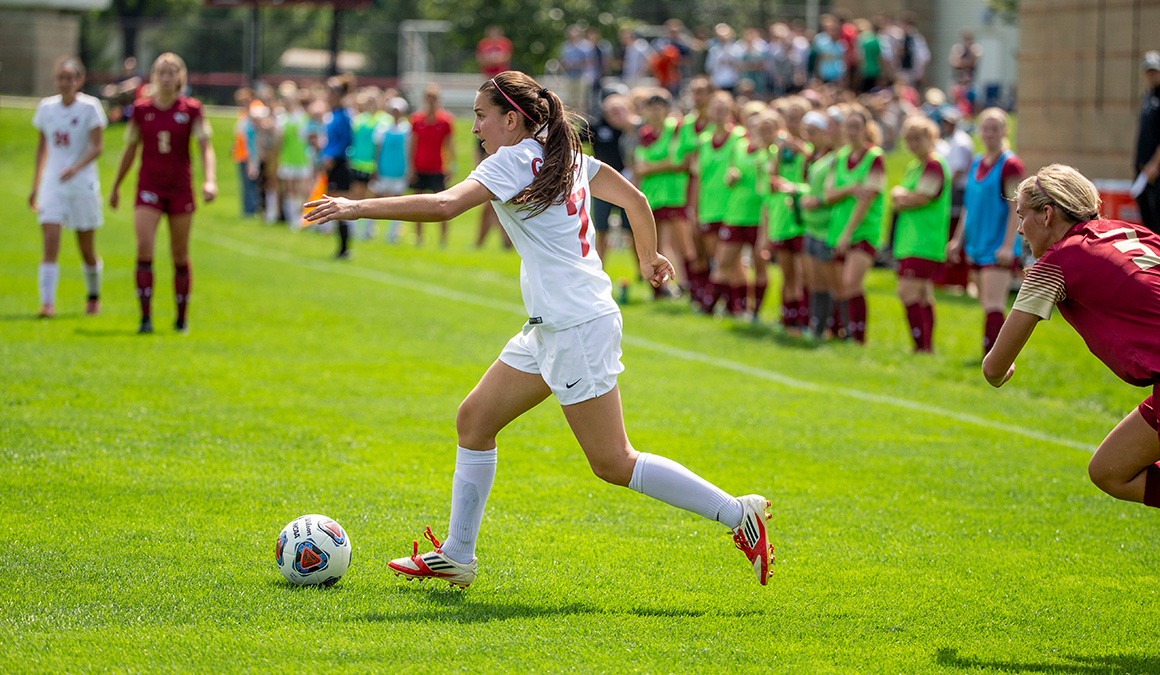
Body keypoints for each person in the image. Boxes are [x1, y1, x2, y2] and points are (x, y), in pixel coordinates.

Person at [303, 70, 773, 588]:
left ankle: (737, 514)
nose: (475, 126)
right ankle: (459, 555)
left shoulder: (513, 159)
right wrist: (648, 256)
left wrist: (354, 206)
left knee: (613, 461)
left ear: (511, 119)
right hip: (556, 324)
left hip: (575, 326)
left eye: (482, 115)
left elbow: (444, 205)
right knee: (475, 421)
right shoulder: (562, 155)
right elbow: (637, 201)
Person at [983, 163, 1160, 510]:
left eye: (1022, 216)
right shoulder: (1130, 232)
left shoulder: (1057, 261)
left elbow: (993, 368)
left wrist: (1003, 369)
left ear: (1047, 214)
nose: (1019, 229)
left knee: (1112, 471)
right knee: (1109, 468)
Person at [109, 52, 216, 334]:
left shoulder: (192, 109)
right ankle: (145, 318)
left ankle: (181, 318)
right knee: (144, 247)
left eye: (172, 72)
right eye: (161, 72)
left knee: (179, 254)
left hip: (180, 189)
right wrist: (116, 185)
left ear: (180, 76)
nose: (166, 78)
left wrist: (210, 180)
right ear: (154, 77)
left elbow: (206, 147)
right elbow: (130, 150)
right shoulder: (141, 109)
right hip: (149, 187)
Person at [29, 57, 107, 318]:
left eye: (69, 78)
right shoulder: (46, 108)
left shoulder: (90, 107)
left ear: (79, 81)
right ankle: (47, 303)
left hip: (82, 184)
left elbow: (98, 146)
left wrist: (76, 167)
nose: (64, 83)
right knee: (50, 242)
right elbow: (42, 148)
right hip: (53, 184)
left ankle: (93, 296)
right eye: (60, 78)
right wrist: (36, 184)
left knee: (86, 249)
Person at [948, 107, 1025, 356]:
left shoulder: (1010, 164)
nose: (990, 133)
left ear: (1005, 130)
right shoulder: (976, 162)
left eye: (995, 128)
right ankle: (994, 355)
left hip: (997, 245)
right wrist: (958, 240)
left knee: (994, 304)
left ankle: (993, 358)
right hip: (977, 244)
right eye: (985, 128)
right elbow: (969, 206)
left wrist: (1007, 245)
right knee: (985, 303)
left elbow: (1016, 207)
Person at [887, 115, 950, 353]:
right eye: (909, 139)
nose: (913, 144)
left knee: (906, 292)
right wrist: (901, 196)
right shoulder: (916, 166)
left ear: (931, 137)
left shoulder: (934, 164)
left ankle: (920, 346)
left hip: (924, 240)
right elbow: (902, 197)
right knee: (923, 294)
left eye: (917, 138)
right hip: (911, 239)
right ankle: (926, 346)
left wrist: (901, 196)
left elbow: (920, 197)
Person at [826, 104, 885, 343]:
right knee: (840, 285)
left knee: (852, 283)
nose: (851, 131)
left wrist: (848, 232)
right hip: (838, 228)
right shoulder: (839, 157)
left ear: (865, 129)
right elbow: (828, 194)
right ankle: (842, 332)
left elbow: (867, 198)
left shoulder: (874, 157)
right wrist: (850, 189)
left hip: (862, 230)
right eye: (847, 126)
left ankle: (859, 337)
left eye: (856, 127)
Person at [693, 90, 745, 314]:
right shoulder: (704, 140)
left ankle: (739, 305)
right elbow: (697, 177)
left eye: (723, 109)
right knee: (719, 258)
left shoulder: (739, 137)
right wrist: (693, 208)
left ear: (731, 111)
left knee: (731, 260)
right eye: (715, 108)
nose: (719, 113)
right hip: (709, 207)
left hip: (732, 207)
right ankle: (733, 304)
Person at [409, 83, 456, 247]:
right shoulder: (416, 120)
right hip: (420, 166)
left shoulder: (445, 121)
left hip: (437, 167)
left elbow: (450, 145)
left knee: (443, 204)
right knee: (417, 203)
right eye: (428, 98)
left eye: (433, 98)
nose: (430, 101)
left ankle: (443, 239)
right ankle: (419, 236)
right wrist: (410, 167)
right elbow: (412, 145)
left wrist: (452, 166)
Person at [320, 75, 354, 257]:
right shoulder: (332, 114)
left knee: (340, 205)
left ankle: (344, 248)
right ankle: (340, 247)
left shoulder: (344, 115)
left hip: (340, 164)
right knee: (332, 204)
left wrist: (332, 156)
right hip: (331, 164)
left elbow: (346, 140)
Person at [371, 96, 411, 243]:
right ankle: (370, 229)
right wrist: (375, 168)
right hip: (384, 169)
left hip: (400, 170)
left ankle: (393, 232)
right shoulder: (382, 128)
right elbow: (378, 150)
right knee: (377, 197)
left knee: (398, 200)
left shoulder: (407, 129)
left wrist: (409, 169)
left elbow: (408, 151)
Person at [274, 81, 313, 229]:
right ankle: (291, 218)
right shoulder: (282, 117)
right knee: (290, 189)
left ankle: (301, 217)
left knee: (303, 189)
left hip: (302, 158)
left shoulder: (303, 116)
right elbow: (279, 140)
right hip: (287, 157)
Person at [1135, 51, 1160, 235]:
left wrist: (1154, 164)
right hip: (1143, 170)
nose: (1152, 76)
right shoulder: (1148, 96)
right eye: (1149, 71)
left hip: (1156, 171)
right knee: (1147, 219)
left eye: (1155, 71)